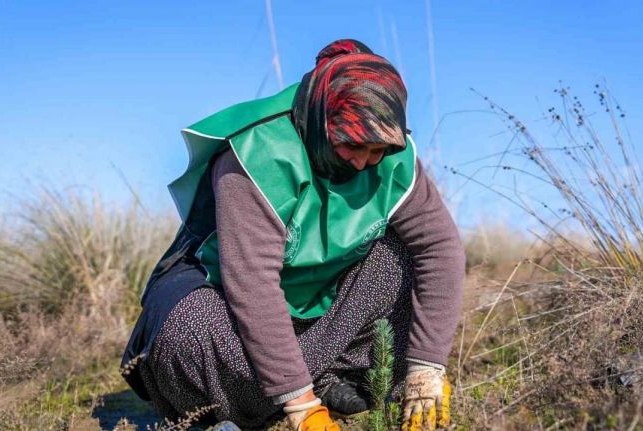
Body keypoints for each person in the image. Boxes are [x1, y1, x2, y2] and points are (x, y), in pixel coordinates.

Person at [120, 39, 465, 431]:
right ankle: (252, 405)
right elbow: (252, 285)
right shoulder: (257, 153)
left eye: (378, 150)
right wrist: (301, 407)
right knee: (190, 328)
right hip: (227, 305)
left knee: (398, 261)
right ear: (322, 117)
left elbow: (440, 249)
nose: (364, 161)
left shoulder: (395, 154)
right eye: (352, 144)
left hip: (315, 316)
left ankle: (323, 380)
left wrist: (426, 366)